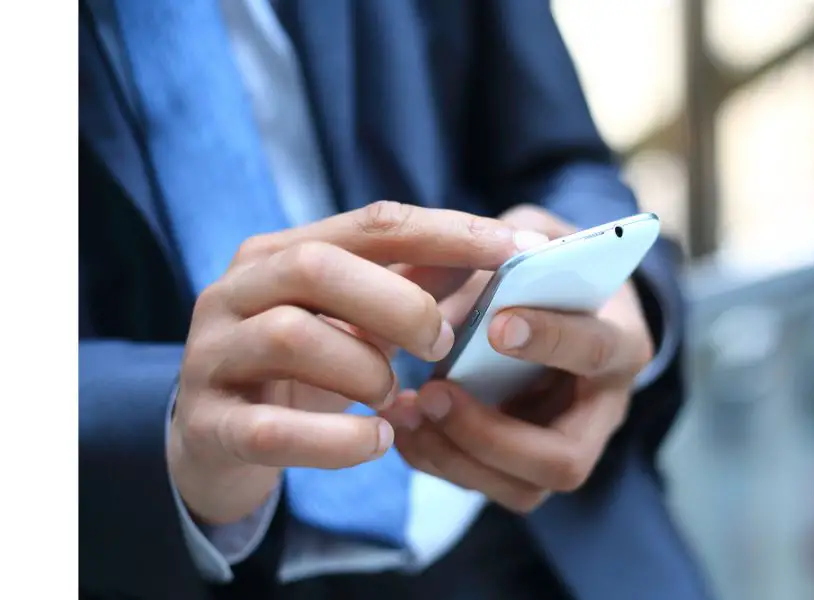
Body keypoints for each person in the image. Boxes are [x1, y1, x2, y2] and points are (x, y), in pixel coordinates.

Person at [79, 1, 711, 599]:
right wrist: (164, 429)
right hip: (171, 557)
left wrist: (612, 290)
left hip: (549, 536)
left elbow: (566, 159)